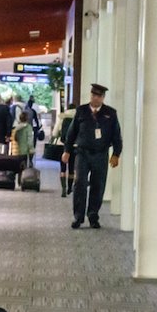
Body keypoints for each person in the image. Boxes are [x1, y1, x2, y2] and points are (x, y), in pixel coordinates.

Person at [61, 83, 124, 229]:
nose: (95, 98)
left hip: (101, 154)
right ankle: (78, 217)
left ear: (103, 98)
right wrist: (67, 150)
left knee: (98, 185)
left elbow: (116, 136)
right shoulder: (81, 111)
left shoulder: (110, 113)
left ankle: (93, 215)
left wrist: (116, 154)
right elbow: (72, 133)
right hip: (82, 153)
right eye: (93, 95)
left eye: (98, 96)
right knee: (80, 184)